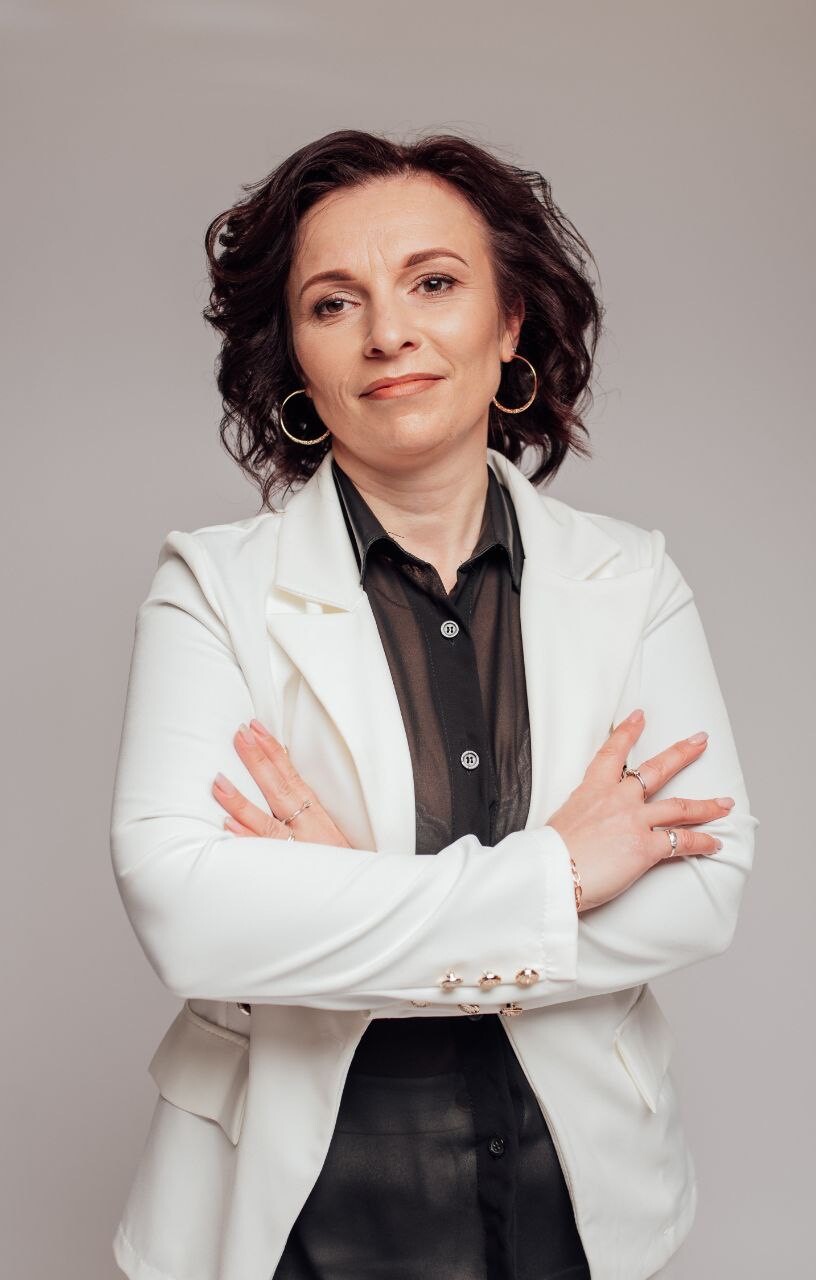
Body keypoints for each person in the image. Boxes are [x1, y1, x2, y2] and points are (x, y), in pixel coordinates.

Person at [109, 129, 758, 1280]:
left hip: (577, 1207)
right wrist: (560, 873)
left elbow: (704, 891)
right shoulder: (211, 585)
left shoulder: (632, 577)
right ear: (296, 354)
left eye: (434, 283)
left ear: (510, 324)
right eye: (333, 302)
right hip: (297, 1219)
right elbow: (189, 915)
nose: (387, 332)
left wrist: (338, 901)